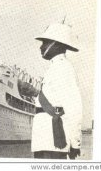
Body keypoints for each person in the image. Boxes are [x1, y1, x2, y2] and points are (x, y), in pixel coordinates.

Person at [31, 23, 82, 159]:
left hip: (54, 141)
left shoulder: (65, 68)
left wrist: (75, 143)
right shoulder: (54, 68)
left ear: (57, 45)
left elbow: (74, 108)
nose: (41, 47)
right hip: (44, 140)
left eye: (45, 43)